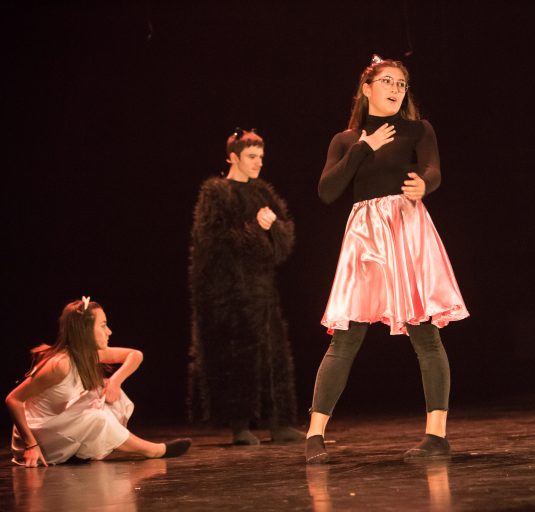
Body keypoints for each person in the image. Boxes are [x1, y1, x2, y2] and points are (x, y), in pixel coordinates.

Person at [304, 54, 469, 464]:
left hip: (406, 229)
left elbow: (433, 170)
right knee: (346, 336)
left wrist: (423, 185)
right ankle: (314, 435)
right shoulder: (346, 140)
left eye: (401, 83)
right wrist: (363, 147)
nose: (396, 89)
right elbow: (327, 191)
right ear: (367, 89)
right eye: (388, 81)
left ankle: (437, 435)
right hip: (366, 237)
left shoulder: (418, 129)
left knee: (425, 333)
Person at [187, 128, 303, 445]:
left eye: (261, 157)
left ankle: (277, 422)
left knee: (272, 353)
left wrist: (273, 227)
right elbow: (214, 241)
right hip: (229, 290)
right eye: (252, 156)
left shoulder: (262, 193)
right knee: (237, 355)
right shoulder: (217, 192)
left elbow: (285, 240)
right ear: (233, 157)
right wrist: (254, 228)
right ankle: (240, 424)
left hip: (261, 289)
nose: (258, 163)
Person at [6, 298, 192, 467]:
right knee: (96, 417)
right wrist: (31, 445)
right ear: (85, 330)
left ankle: (77, 453)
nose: (109, 331)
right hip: (37, 434)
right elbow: (13, 399)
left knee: (108, 395)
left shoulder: (88, 354)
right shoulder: (60, 364)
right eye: (103, 326)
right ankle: (154, 450)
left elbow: (135, 355)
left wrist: (116, 381)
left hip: (57, 428)